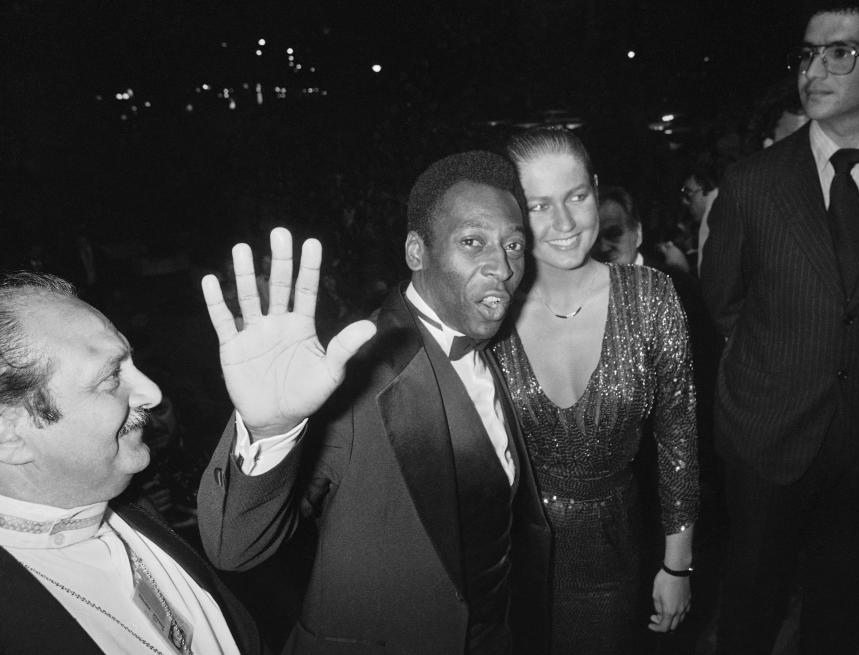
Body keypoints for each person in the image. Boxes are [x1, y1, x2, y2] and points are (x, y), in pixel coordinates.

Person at [197, 152, 551, 655]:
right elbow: (235, 546)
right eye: (473, 242)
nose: (502, 266)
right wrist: (269, 429)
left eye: (514, 245)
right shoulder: (359, 375)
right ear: (416, 251)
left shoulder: (496, 347)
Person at [701, 3, 859, 653]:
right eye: (807, 53)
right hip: (768, 438)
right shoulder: (751, 182)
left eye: (839, 53)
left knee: (841, 609)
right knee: (748, 606)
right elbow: (722, 302)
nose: (813, 70)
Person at [496, 126, 699, 655]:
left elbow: (678, 439)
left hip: (610, 551)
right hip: (503, 557)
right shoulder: (488, 309)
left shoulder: (651, 296)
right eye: (538, 205)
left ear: (596, 189)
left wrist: (678, 563)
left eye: (576, 197)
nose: (563, 223)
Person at [0, 272, 270, 654]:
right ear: (9, 434)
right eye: (112, 376)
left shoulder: (130, 502)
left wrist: (272, 427)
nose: (152, 393)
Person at [591, 185, 643, 265]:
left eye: (613, 234)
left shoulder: (665, 276)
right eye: (594, 239)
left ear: (638, 234)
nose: (603, 248)